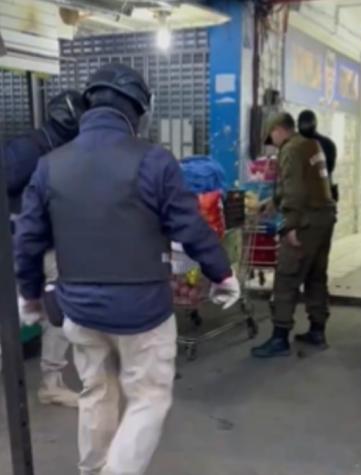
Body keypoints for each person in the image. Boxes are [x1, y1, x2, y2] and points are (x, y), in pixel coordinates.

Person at [14, 63, 242, 475]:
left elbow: (28, 239)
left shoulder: (50, 164)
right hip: (142, 311)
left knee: (96, 391)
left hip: (78, 309)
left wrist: (30, 295)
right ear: (138, 110)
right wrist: (222, 274)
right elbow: (188, 225)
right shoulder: (155, 160)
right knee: (149, 397)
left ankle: (92, 468)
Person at [3, 89, 87, 408]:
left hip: (49, 248)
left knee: (60, 310)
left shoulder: (67, 152)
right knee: (11, 315)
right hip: (19, 248)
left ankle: (51, 383)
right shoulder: (27, 149)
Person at [252, 112, 336, 358]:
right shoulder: (311, 144)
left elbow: (296, 191)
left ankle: (279, 339)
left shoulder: (290, 149)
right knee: (316, 276)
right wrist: (274, 201)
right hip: (325, 217)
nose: (272, 143)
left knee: (287, 277)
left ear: (279, 129)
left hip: (306, 222)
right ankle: (317, 331)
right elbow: (305, 183)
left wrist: (289, 226)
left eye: (271, 137)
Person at [297, 109, 338, 201]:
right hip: (325, 195)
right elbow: (330, 169)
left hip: (309, 198)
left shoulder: (297, 146)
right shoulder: (328, 143)